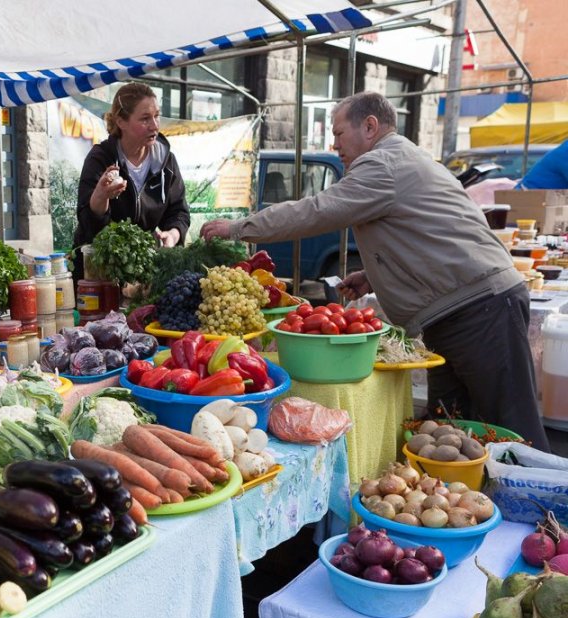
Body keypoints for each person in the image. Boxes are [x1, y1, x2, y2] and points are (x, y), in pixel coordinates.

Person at [199, 91, 550, 450]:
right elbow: (424, 230)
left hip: (478, 310)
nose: (334, 144)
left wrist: (240, 228)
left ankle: (546, 504)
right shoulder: (400, 158)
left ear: (369, 126)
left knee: (513, 427)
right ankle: (472, 498)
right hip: (463, 309)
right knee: (451, 429)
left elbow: (318, 210)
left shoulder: (382, 164)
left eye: (338, 133)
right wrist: (374, 273)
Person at [72, 82, 189, 280]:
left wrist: (172, 234)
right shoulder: (100, 159)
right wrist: (100, 197)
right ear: (121, 122)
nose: (154, 125)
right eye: (145, 119)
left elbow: (179, 212)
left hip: (143, 271)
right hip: (98, 273)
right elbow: (88, 225)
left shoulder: (166, 160)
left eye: (156, 116)